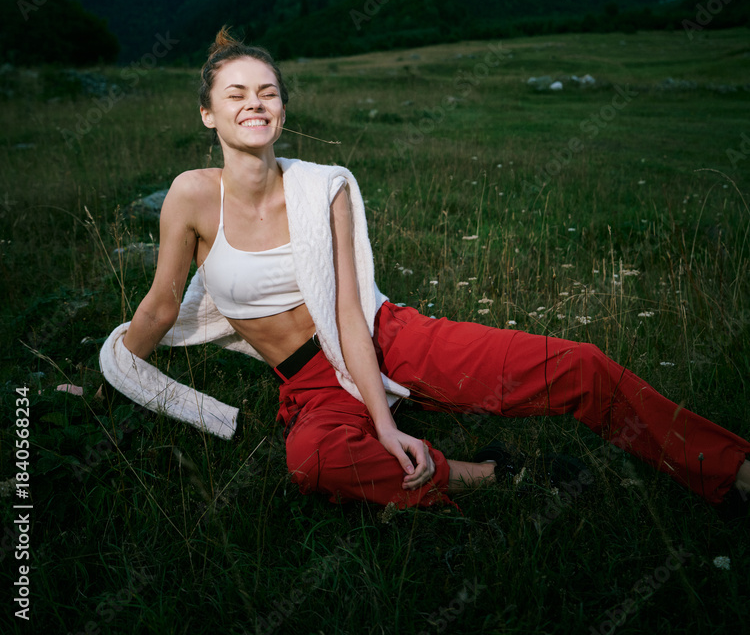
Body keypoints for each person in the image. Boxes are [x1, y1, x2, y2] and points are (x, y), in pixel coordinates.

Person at [115, 27, 750, 513]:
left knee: (578, 365)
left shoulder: (321, 188)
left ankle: (730, 469)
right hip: (311, 384)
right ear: (209, 113)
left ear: (282, 108)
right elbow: (160, 307)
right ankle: (479, 474)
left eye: (268, 93)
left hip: (387, 336)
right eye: (236, 95)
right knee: (310, 460)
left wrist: (385, 424)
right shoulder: (191, 197)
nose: (254, 105)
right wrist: (111, 374)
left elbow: (346, 312)